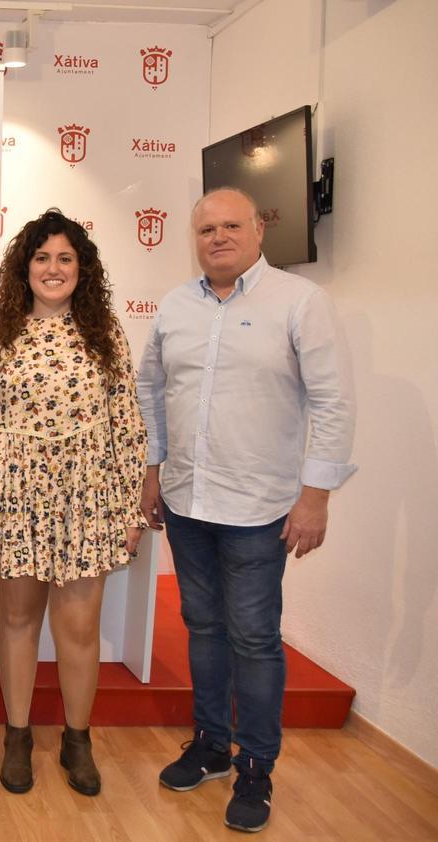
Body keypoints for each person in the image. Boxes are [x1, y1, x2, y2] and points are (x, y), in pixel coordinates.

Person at [136, 187, 356, 833]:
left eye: (231, 226)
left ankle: (256, 767)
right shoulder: (175, 306)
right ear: (195, 239)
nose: (219, 238)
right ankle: (211, 745)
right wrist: (152, 470)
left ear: (258, 230)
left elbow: (333, 402)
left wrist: (316, 495)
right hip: (186, 501)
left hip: (261, 509)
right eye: (207, 229)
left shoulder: (300, 301)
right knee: (203, 627)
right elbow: (151, 389)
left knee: (255, 638)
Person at [0, 210, 146, 797]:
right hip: (17, 496)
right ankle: (18, 737)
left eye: (65, 258)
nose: (52, 268)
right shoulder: (1, 332)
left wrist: (129, 510)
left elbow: (127, 422)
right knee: (18, 620)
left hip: (88, 497)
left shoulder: (105, 331)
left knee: (79, 627)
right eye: (41, 257)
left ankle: (78, 741)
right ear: (24, 267)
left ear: (83, 269)